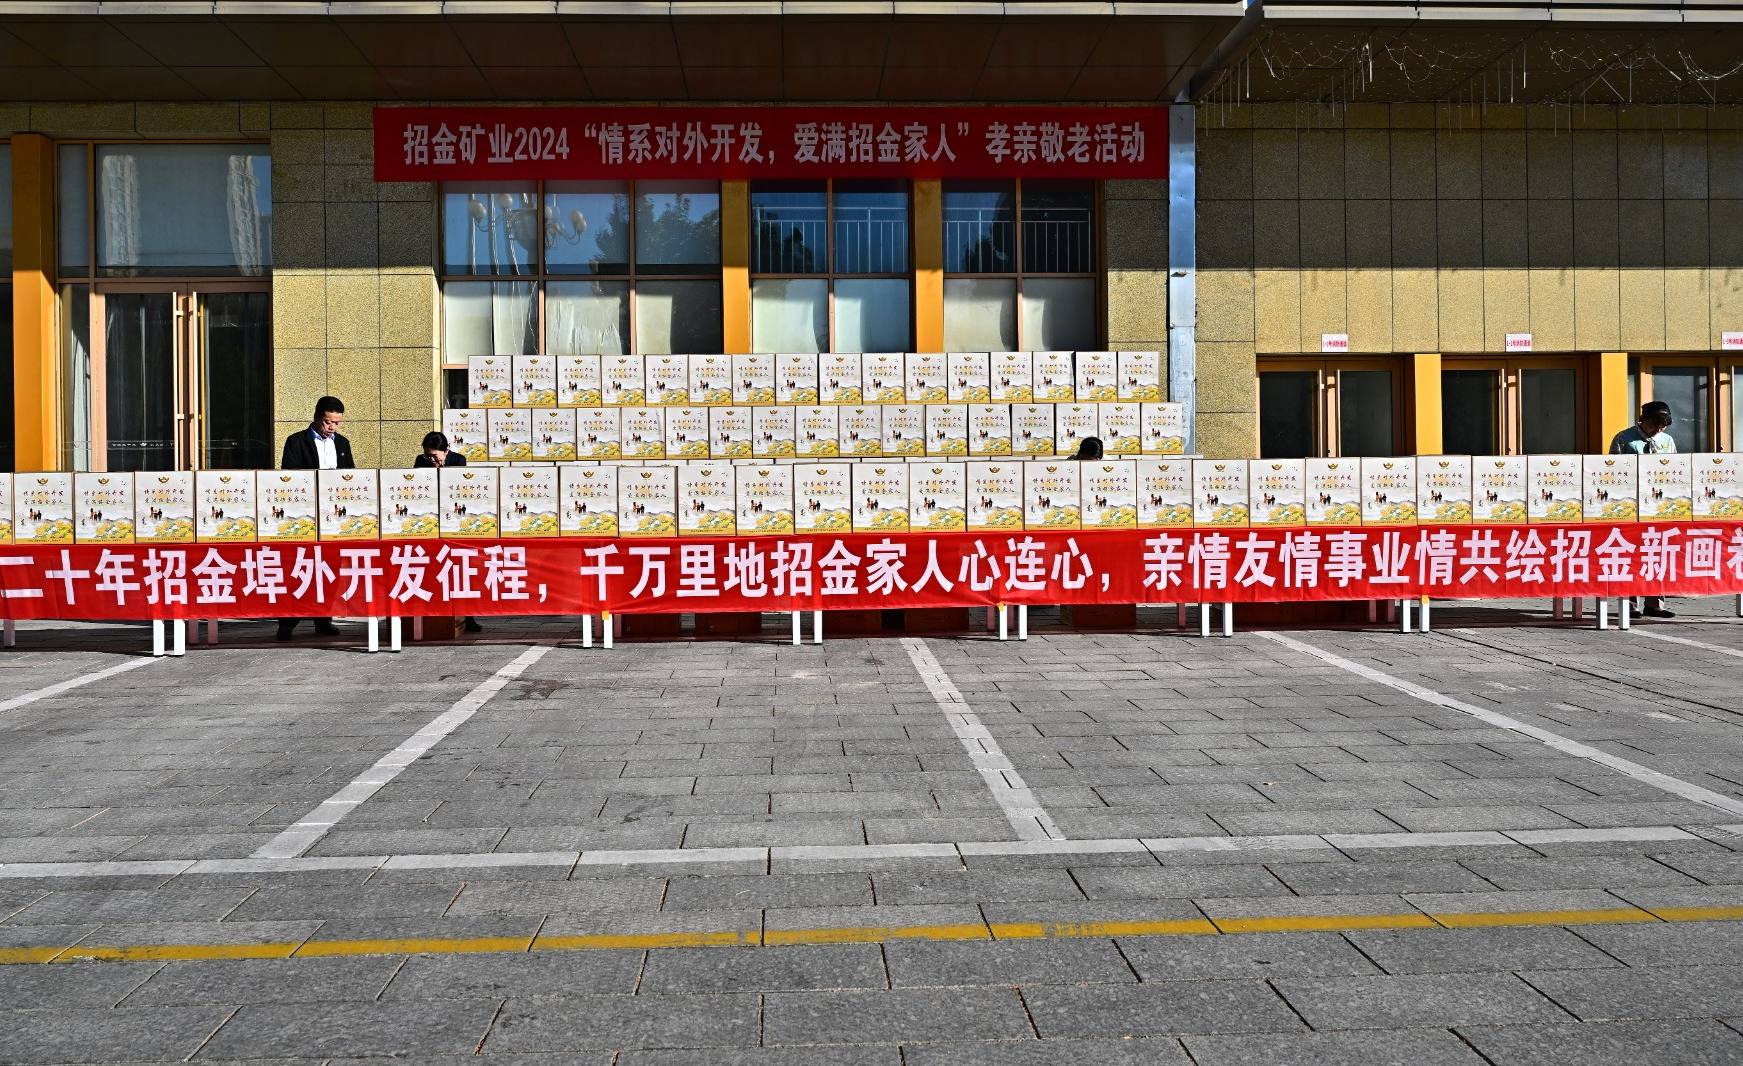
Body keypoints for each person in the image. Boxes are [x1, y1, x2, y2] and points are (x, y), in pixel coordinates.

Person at [277, 396, 353, 641]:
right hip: (305, 516)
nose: (332, 427)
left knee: (329, 567)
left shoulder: (342, 443)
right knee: (299, 568)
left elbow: (350, 477)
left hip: (333, 516)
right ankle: (287, 623)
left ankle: (323, 619)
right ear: (317, 417)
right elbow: (289, 479)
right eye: (328, 422)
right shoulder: (297, 441)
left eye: (337, 423)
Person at [1610, 401, 1676, 618]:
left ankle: (1655, 604)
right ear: (1644, 420)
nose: (1658, 430)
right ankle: (1630, 605)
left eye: (1662, 427)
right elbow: (1613, 473)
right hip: (1632, 505)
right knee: (1630, 553)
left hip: (1658, 506)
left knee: (1656, 553)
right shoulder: (1624, 439)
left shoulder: (1667, 441)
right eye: (1655, 425)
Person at [412, 432, 482, 633]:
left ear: (446, 451)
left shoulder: (458, 460)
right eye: (428, 455)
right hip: (431, 520)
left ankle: (468, 617)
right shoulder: (421, 461)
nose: (431, 460)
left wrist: (441, 470)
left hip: (454, 520)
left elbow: (459, 489)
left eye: (435, 456)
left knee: (461, 570)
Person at [1609, 400, 1676, 457]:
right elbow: (1616, 465)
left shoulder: (1668, 440)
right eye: (1653, 426)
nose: (1657, 430)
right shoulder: (1623, 438)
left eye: (1662, 427)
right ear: (1643, 419)